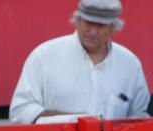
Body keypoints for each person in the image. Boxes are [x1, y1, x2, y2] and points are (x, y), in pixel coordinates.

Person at [9, 0, 149, 124]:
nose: (93, 31)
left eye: (101, 25)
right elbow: (20, 111)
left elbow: (140, 120)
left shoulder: (130, 65)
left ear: (113, 27)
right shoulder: (44, 56)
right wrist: (77, 122)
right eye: (88, 22)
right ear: (77, 20)